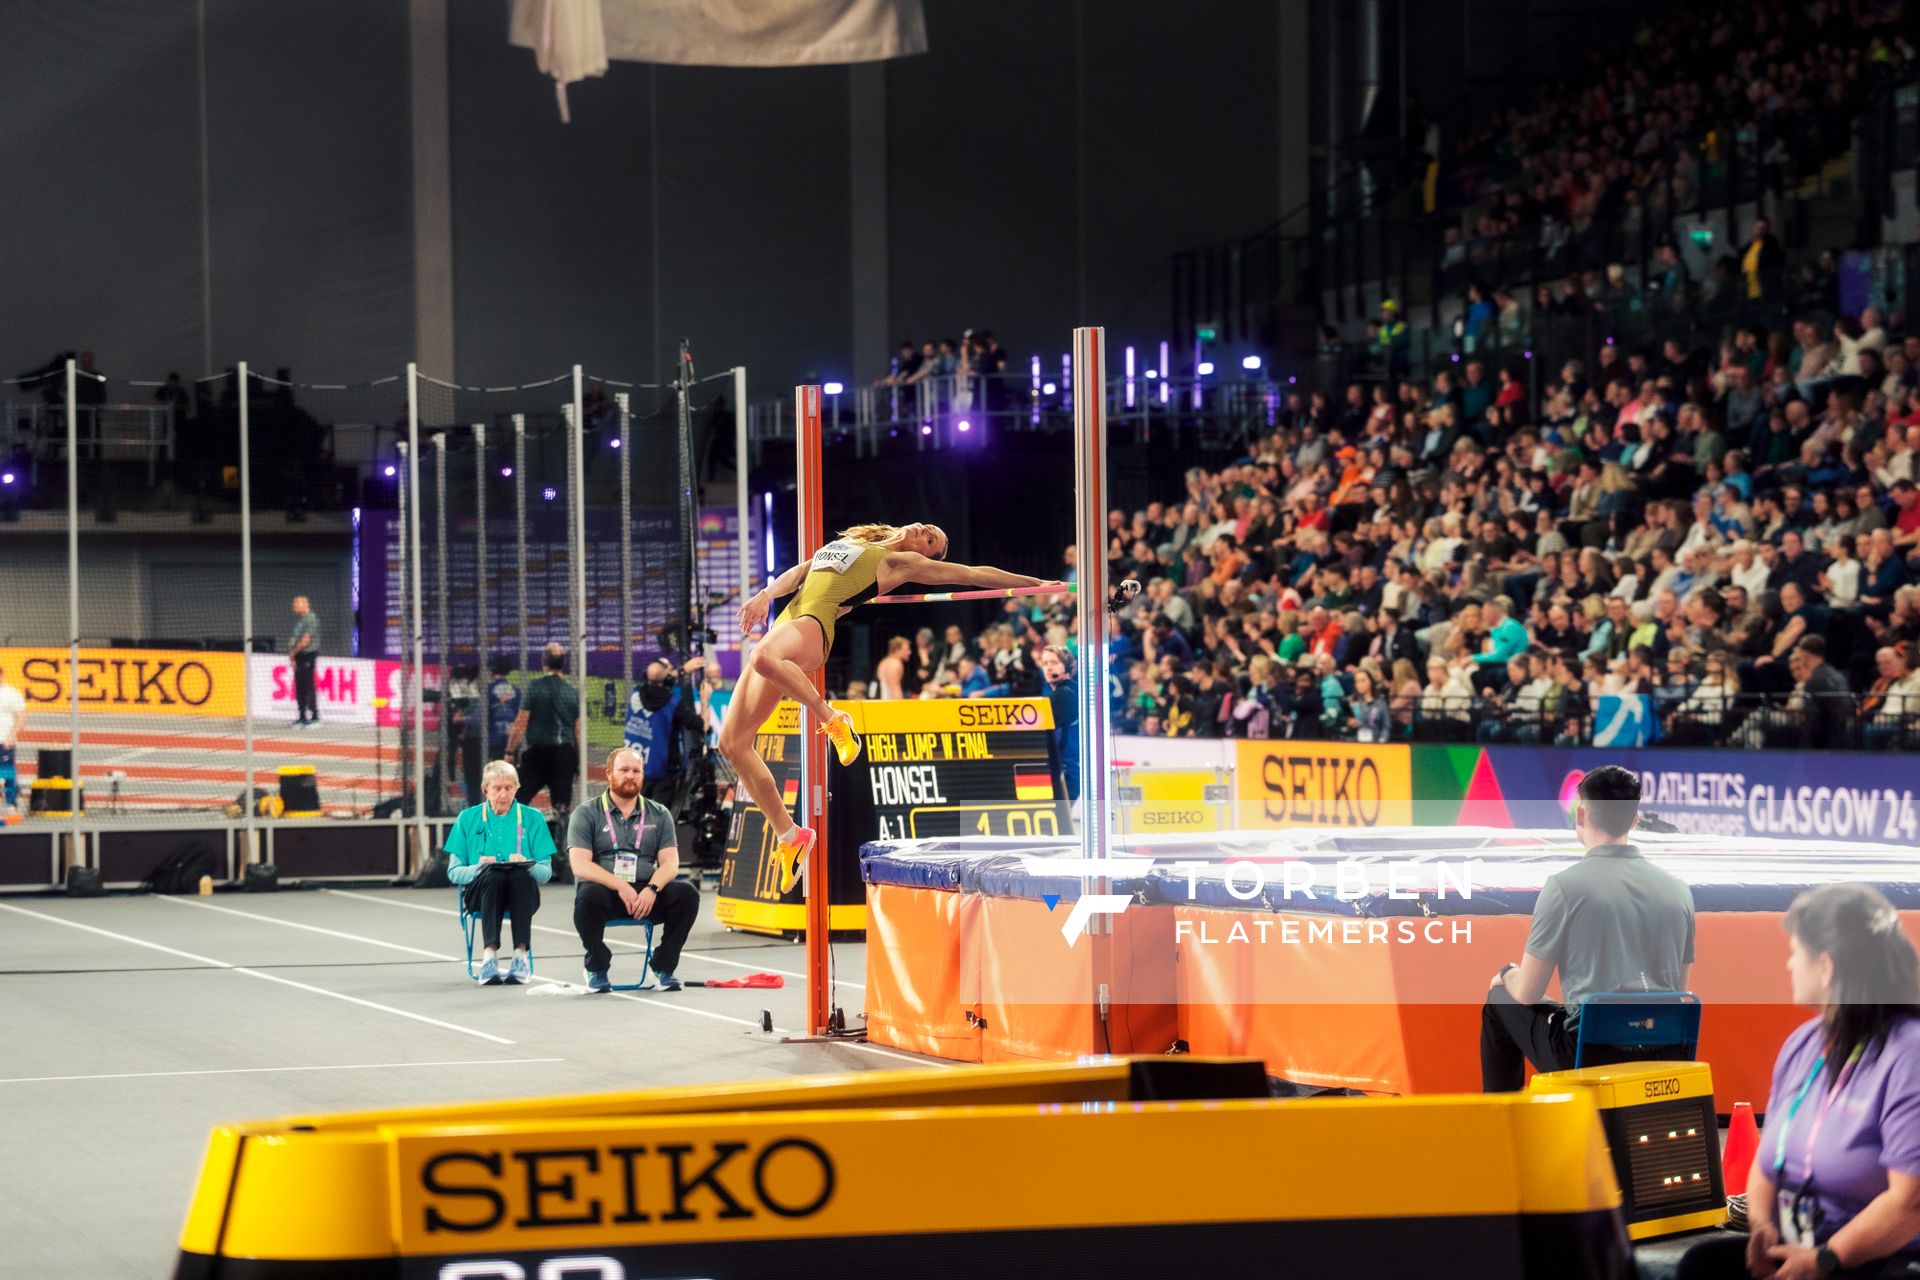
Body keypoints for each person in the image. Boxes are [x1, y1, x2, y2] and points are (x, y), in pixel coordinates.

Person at [725, 521, 1046, 894]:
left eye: (932, 540)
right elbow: (801, 571)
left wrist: (1036, 584)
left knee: (763, 655)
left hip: (813, 626)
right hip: (787, 622)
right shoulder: (855, 542)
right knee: (732, 744)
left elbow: (973, 574)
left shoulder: (900, 563)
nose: (927, 530)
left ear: (924, 554)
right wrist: (766, 594)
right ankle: (790, 835)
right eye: (931, 528)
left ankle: (832, 718)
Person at [1737, 883, 1920, 1280]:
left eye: (1795, 952)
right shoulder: (1802, 1044)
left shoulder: (1909, 1054)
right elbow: (1769, 1160)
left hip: (1877, 1263)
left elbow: (1910, 1203)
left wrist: (1826, 1259)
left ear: (1826, 965)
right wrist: (1761, 1225)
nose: (1789, 964)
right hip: (1801, 1251)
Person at [1480, 765, 1696, 1091]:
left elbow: (1527, 992)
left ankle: (1498, 1126)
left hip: (1591, 1054)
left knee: (1500, 1000)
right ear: (1634, 820)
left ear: (1580, 816)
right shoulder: (1679, 891)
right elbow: (1677, 990)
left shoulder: (1564, 888)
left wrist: (1507, 972)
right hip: (1664, 1052)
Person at [566, 747, 699, 993]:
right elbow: (580, 865)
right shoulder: (586, 813)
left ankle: (662, 967)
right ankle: (596, 966)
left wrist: (652, 889)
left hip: (646, 894)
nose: (630, 775)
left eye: (636, 771)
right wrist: (619, 885)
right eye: (624, 770)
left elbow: (670, 862)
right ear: (609, 774)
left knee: (687, 893)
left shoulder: (660, 813)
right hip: (608, 892)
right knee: (587, 896)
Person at [443, 760, 554, 985]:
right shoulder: (467, 818)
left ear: (517, 788)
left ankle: (520, 956)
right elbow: (454, 872)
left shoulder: (533, 818)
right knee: (493, 875)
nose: (503, 794)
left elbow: (546, 873)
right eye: (497, 788)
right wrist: (478, 868)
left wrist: (529, 864)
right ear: (485, 789)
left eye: (509, 788)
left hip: (521, 895)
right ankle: (489, 957)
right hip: (481, 894)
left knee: (520, 875)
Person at [507, 642, 582, 816]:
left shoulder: (534, 687)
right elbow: (576, 731)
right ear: (563, 663)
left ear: (543, 662)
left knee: (517, 799)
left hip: (538, 754)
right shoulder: (572, 692)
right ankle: (561, 838)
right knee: (562, 806)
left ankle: (513, 838)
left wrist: (509, 751)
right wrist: (577, 762)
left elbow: (521, 722)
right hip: (564, 755)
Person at [623, 656, 706, 802]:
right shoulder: (673, 703)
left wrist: (681, 670)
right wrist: (704, 700)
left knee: (634, 814)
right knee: (659, 818)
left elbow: (656, 678)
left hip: (635, 769)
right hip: (664, 772)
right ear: (666, 678)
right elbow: (702, 725)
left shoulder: (635, 694)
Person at [1039, 643, 1080, 810]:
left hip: (1066, 773)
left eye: (1054, 662)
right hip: (1068, 771)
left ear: (1068, 666)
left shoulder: (1065, 694)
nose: (1049, 667)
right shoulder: (1068, 691)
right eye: (1045, 663)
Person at [288, 595, 320, 727]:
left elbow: (305, 640)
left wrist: (293, 652)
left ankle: (314, 717)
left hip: (307, 656)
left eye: (296, 604)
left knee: (308, 686)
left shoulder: (311, 619)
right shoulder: (301, 621)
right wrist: (293, 656)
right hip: (299, 657)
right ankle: (302, 716)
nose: (294, 606)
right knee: (299, 688)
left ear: (305, 604)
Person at [0, 660, 24, 810]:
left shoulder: (12, 693)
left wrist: (13, 736)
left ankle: (11, 802)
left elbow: (21, 716)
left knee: (7, 771)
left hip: (4, 740)